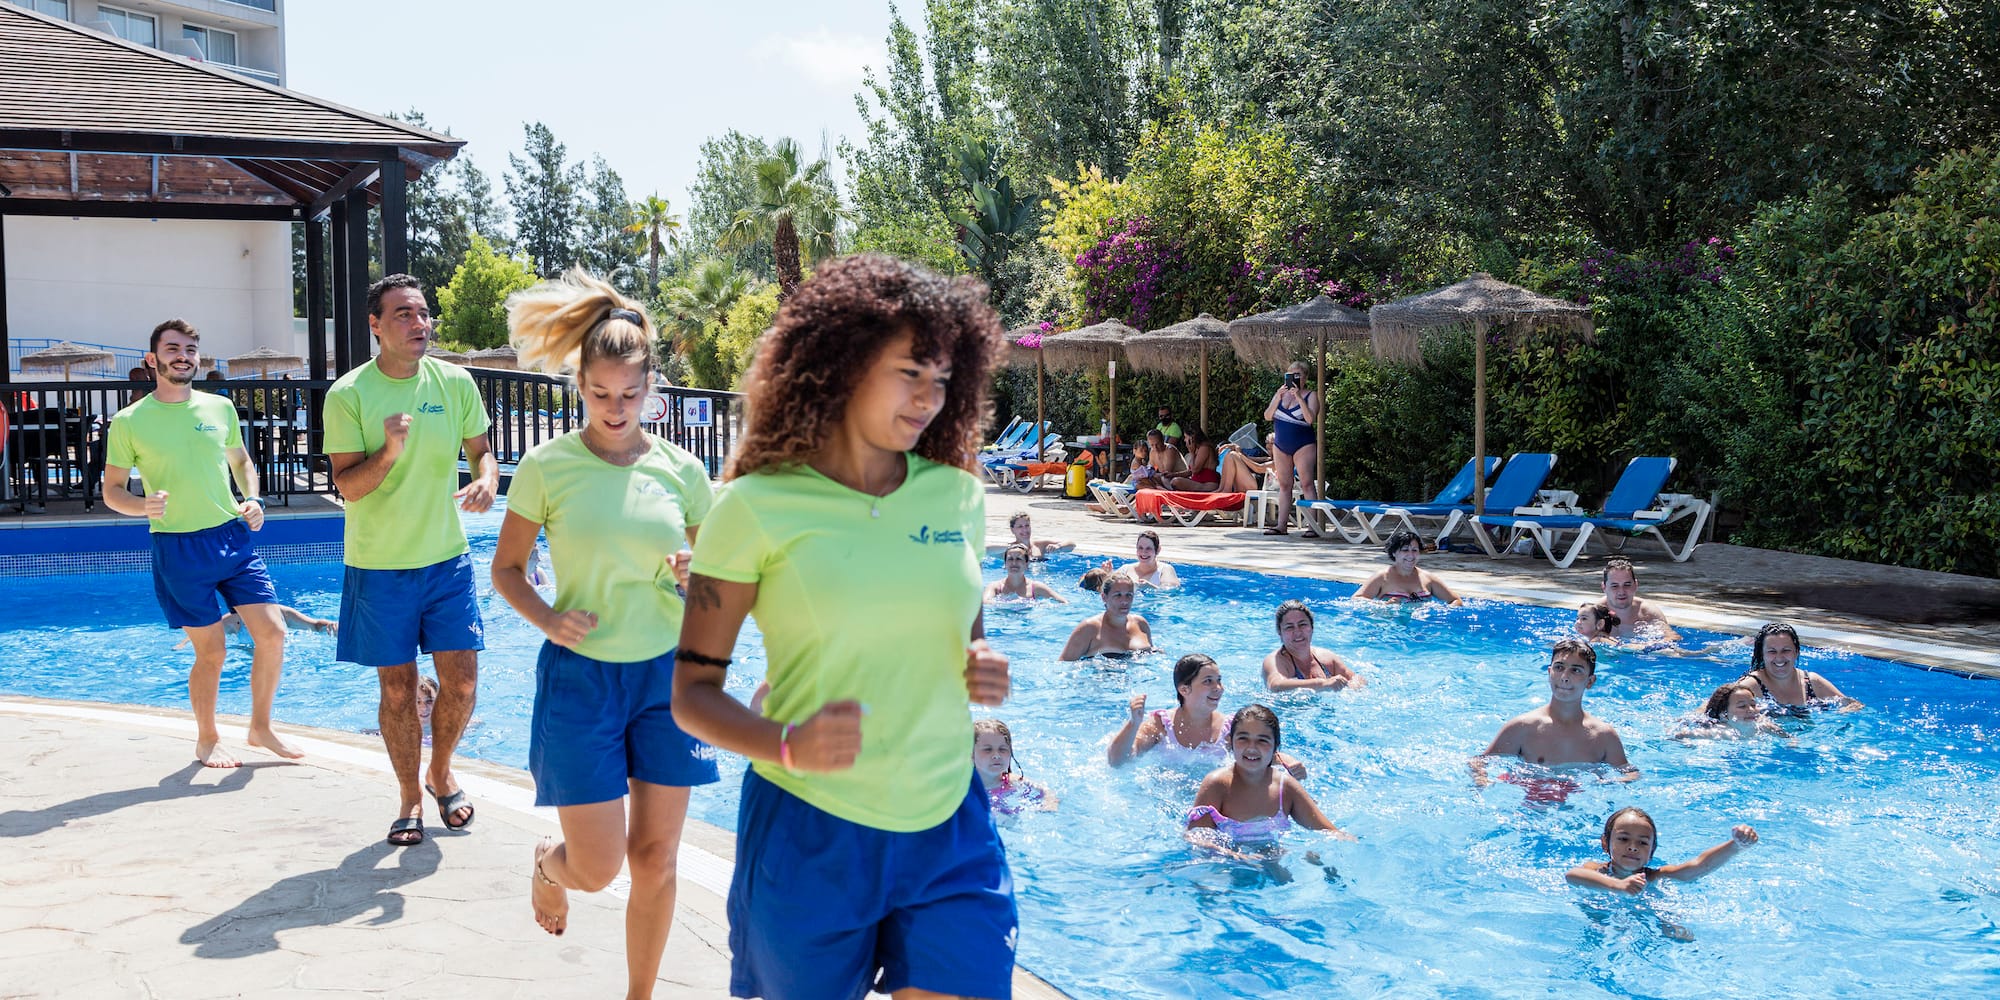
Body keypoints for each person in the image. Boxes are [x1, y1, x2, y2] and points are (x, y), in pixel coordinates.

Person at [670, 254, 1017, 1000]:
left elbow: (965, 628)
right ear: (844, 364)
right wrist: (786, 744)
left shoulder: (957, 497)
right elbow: (692, 692)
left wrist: (981, 657)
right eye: (909, 373)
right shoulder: (753, 507)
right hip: (810, 833)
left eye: (943, 379)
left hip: (949, 823)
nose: (930, 397)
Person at [487, 271, 719, 993]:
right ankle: (545, 867)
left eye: (629, 394)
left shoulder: (684, 472)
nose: (614, 410)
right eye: (599, 393)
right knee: (597, 868)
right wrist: (550, 618)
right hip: (580, 678)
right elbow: (507, 570)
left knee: (657, 861)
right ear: (577, 385)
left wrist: (694, 579)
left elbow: (718, 584)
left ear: (651, 389)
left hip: (669, 679)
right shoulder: (547, 467)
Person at [324, 273, 498, 847]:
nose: (419, 324)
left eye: (423, 313)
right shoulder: (348, 394)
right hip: (379, 566)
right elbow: (348, 486)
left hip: (447, 560)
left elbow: (482, 451)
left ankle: (441, 770)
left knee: (464, 683)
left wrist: (486, 481)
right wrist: (390, 450)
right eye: (403, 314)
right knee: (397, 691)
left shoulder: (455, 382)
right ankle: (408, 799)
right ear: (375, 325)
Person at [101, 318, 303, 769]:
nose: (184, 355)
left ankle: (260, 727)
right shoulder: (129, 421)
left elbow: (243, 462)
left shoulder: (220, 408)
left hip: (232, 538)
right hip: (178, 547)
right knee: (212, 652)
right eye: (173, 348)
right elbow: (112, 491)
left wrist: (253, 500)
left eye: (191, 349)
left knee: (273, 633)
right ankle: (208, 738)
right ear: (152, 359)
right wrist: (141, 507)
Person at [1473, 637, 1638, 798]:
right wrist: (1483, 780)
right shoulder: (1523, 727)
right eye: (1559, 667)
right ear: (1549, 672)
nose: (1565, 676)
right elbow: (1478, 762)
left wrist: (1605, 785)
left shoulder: (1603, 736)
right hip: (1529, 803)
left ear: (1590, 681)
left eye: (1576, 670)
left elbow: (1630, 773)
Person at [1186, 705, 1349, 856]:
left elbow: (1328, 831)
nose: (1251, 748)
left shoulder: (1285, 787)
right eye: (1243, 738)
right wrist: (1238, 857)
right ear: (1230, 741)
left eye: (1262, 740)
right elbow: (1196, 838)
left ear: (1275, 747)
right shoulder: (1217, 784)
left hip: (1271, 859)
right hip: (1227, 864)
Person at [1106, 654, 1307, 775]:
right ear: (1184, 690)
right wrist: (1133, 724)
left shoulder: (1230, 726)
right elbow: (1118, 761)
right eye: (1208, 681)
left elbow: (1257, 752)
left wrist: (1287, 762)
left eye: (1219, 680)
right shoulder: (1161, 725)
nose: (1218, 688)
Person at [1566, 807, 1759, 894]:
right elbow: (1572, 875)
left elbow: (1699, 866)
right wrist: (1616, 885)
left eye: (1642, 843)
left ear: (1652, 851)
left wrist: (1735, 846)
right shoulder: (1597, 870)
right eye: (1623, 839)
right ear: (1605, 844)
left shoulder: (1654, 877)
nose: (1633, 847)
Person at [1738, 621, 1861, 714]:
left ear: (1796, 652)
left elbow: (1854, 705)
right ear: (1762, 654)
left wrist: (1836, 718)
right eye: (1772, 651)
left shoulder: (1811, 682)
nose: (1779, 658)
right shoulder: (1750, 687)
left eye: (1786, 650)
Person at [1261, 362, 1320, 536]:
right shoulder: (1280, 394)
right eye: (1291, 375)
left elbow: (1310, 419)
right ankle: (1281, 525)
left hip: (1303, 444)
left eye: (1298, 375)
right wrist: (1278, 397)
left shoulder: (1311, 395)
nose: (1294, 379)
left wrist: (1299, 398)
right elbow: (1267, 416)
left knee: (1307, 484)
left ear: (1305, 378)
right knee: (1285, 485)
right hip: (1281, 444)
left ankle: (1312, 527)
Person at [1261, 600, 1363, 692]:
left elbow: (1357, 679)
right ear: (1280, 632)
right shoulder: (1275, 660)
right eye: (1289, 627)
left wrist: (1352, 687)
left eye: (1302, 624)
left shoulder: (1326, 658)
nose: (1297, 632)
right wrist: (1322, 684)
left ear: (1312, 627)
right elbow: (1275, 685)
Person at [1059, 570, 1155, 661]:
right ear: (1104, 597)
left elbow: (1153, 654)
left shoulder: (1141, 623)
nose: (1124, 601)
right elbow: (1064, 664)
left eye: (1129, 595)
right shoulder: (1089, 627)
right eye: (1118, 595)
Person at [1354, 529, 1463, 604]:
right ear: (1394, 553)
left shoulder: (1428, 579)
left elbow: (1455, 600)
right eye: (1405, 550)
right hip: (1388, 628)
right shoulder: (1382, 577)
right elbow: (1356, 599)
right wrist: (1383, 606)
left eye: (1414, 550)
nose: (1410, 555)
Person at [973, 718, 1056, 816]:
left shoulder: (1013, 781)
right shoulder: (963, 786)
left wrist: (1049, 803)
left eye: (1002, 749)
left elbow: (1047, 791)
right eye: (988, 749)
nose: (996, 755)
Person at [172, 604, 336, 649]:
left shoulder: (282, 613)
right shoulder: (234, 620)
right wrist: (183, 643)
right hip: (250, 655)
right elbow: (205, 633)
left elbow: (314, 625)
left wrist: (331, 626)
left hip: (282, 652)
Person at [1600, 557, 1679, 642]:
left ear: (1635, 585)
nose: (1621, 591)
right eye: (1615, 586)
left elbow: (1672, 637)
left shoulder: (1648, 613)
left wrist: (1644, 648)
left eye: (1627, 585)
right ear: (1604, 587)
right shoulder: (1594, 613)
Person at [1679, 681, 1788, 739]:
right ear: (1724, 714)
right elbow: (1680, 735)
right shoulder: (1721, 732)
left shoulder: (1762, 725)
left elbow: (1787, 737)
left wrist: (1792, 743)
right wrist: (1687, 742)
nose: (1751, 710)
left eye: (1753, 704)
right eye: (1742, 706)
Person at [985, 543, 1068, 602]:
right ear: (1005, 564)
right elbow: (984, 602)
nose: (1014, 563)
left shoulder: (1036, 587)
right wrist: (1011, 604)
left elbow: (1064, 603)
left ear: (1026, 563)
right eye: (1010, 559)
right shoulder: (995, 586)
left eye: (1018, 559)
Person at [1167, 426, 1222, 492]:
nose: (1184, 440)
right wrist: (1172, 474)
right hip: (1197, 483)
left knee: (1176, 481)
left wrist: (1192, 453)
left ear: (1191, 438)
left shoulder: (1205, 448)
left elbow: (1195, 470)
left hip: (1207, 484)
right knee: (1167, 479)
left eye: (1186, 437)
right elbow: (1190, 471)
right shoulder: (1197, 448)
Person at [1006, 511, 1071, 560]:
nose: (1025, 529)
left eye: (1027, 525)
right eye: (1020, 526)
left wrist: (1058, 546)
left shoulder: (1039, 545)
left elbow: (1071, 544)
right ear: (1012, 530)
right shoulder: (1009, 548)